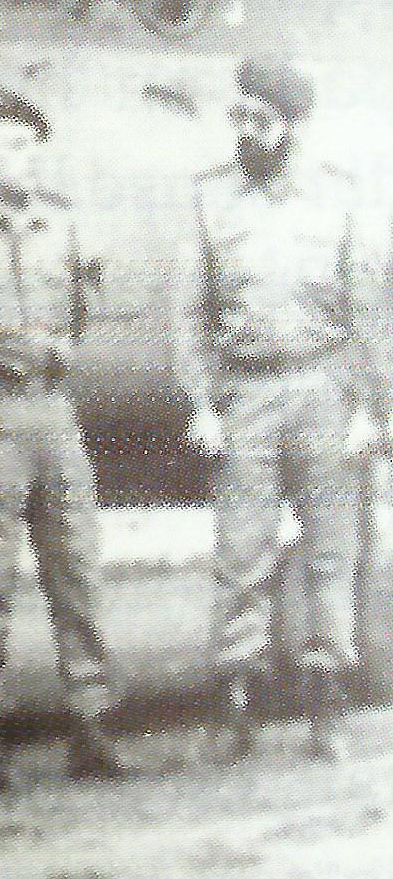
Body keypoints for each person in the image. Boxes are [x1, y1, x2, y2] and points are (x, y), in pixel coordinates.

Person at [175, 56, 390, 762]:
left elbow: (368, 311)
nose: (245, 131)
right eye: (238, 117)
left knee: (333, 553)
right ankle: (237, 699)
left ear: (292, 126)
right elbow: (189, 313)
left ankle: (328, 700)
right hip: (246, 397)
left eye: (259, 120)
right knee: (241, 553)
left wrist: (370, 407)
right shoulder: (209, 199)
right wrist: (201, 403)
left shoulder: (340, 196)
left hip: (326, 392)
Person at [0, 86, 134, 791]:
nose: (30, 157)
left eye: (35, 142)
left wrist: (55, 356)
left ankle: (92, 724)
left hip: (51, 414)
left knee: (77, 572)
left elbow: (83, 311)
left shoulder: (63, 228)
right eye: (13, 144)